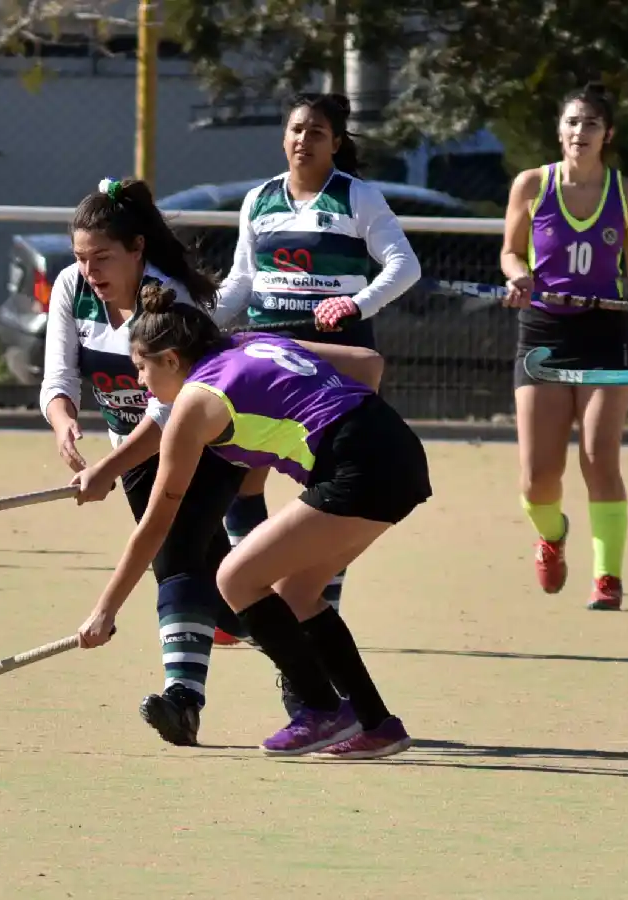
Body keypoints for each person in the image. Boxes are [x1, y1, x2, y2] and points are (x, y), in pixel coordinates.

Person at [75, 283, 431, 760]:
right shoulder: (249, 343)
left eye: (141, 367)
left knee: (235, 577)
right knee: (297, 594)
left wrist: (105, 610)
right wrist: (332, 422)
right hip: (398, 449)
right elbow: (368, 363)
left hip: (357, 468)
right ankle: (378, 724)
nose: (139, 382)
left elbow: (158, 526)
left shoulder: (194, 404)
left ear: (172, 359)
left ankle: (323, 709)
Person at [39, 176, 252, 747]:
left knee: (174, 555)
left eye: (103, 257)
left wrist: (108, 469)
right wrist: (65, 428)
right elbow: (58, 378)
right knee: (226, 590)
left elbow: (168, 409)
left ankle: (183, 701)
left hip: (206, 442)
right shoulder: (70, 287)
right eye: (82, 258)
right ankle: (305, 648)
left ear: (137, 251)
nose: (90, 271)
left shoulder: (170, 302)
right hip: (132, 454)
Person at [209, 92, 421, 656]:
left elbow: (404, 265)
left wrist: (357, 305)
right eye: (297, 129)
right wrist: (200, 319)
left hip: (337, 357)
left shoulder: (357, 197)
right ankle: (254, 601)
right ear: (284, 137)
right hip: (268, 357)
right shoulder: (258, 199)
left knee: (331, 489)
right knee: (240, 473)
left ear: (336, 142)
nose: (305, 140)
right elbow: (242, 281)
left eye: (318, 132)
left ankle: (315, 606)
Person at [500, 81, 628, 611]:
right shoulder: (532, 186)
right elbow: (511, 254)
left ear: (608, 134)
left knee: (600, 457)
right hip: (544, 335)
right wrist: (520, 277)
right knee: (538, 478)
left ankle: (607, 576)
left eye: (592, 124)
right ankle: (552, 536)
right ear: (559, 131)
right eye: (573, 122)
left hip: (605, 335)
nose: (581, 132)